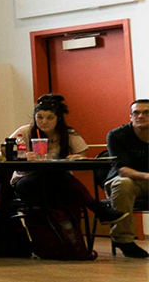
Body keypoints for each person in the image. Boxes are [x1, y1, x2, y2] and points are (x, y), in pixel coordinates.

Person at [9, 94, 126, 224]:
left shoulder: (67, 133)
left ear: (58, 118)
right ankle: (99, 209)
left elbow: (82, 152)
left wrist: (78, 156)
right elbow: (1, 155)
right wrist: (21, 156)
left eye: (49, 118)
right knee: (59, 174)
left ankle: (97, 213)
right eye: (40, 117)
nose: (44, 122)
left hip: (57, 185)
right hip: (27, 182)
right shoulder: (25, 131)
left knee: (58, 174)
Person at [104, 99, 149, 258]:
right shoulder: (117, 135)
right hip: (125, 181)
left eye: (146, 112)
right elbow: (121, 169)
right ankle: (123, 239)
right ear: (130, 117)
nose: (140, 116)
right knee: (124, 184)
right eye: (136, 113)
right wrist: (146, 176)